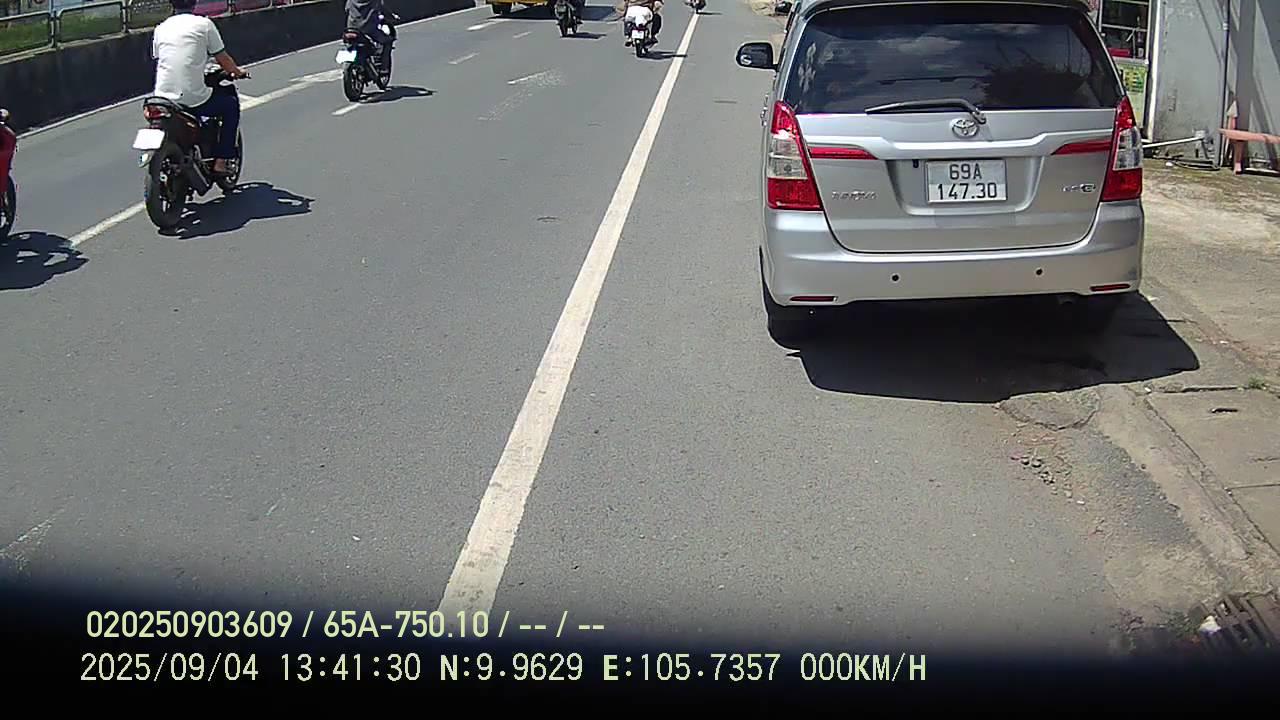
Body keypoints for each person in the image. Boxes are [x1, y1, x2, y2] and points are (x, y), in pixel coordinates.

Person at [151, 0, 248, 175]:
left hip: (162, 98)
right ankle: (221, 161)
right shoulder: (204, 24)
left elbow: (167, 59)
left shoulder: (161, 28)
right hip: (191, 99)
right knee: (230, 103)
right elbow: (222, 58)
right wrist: (237, 72)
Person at [346, 0, 398, 77]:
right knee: (387, 41)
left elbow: (347, 9)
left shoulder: (351, 1)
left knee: (351, 44)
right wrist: (393, 17)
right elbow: (384, 10)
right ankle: (383, 68)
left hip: (351, 29)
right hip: (369, 29)